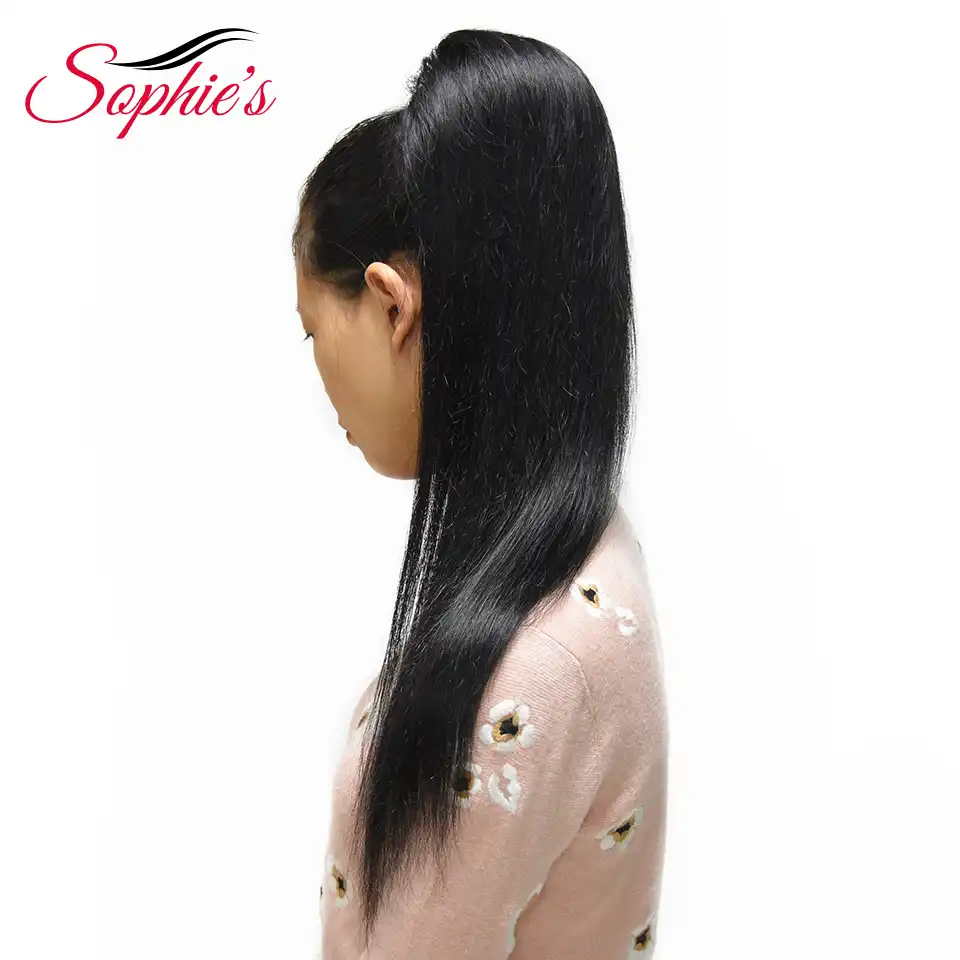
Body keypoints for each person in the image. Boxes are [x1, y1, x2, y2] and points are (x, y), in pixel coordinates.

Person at [292, 27, 669, 960]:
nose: (315, 367)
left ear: (392, 303)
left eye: (311, 329)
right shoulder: (588, 545)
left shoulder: (523, 671)